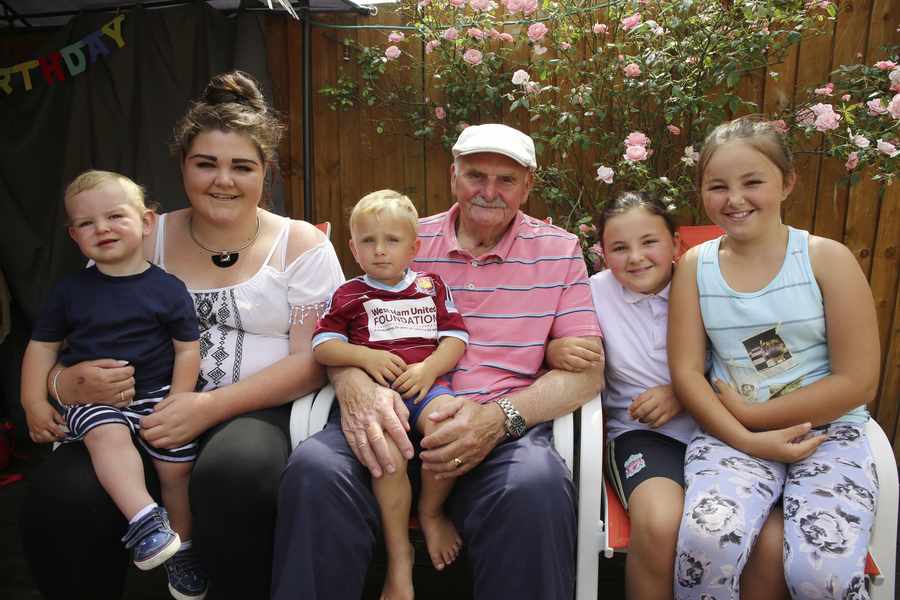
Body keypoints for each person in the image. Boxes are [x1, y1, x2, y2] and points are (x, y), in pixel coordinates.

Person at [20, 71, 345, 600]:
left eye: (242, 166)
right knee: (62, 492)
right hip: (138, 410)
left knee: (235, 474)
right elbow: (73, 328)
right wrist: (63, 385)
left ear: (266, 171)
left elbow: (314, 359)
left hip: (253, 410)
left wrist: (206, 408)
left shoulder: (300, 244)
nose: (224, 180)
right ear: (182, 167)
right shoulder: (143, 235)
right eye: (206, 164)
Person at [272, 123, 605, 600]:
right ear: (453, 176)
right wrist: (352, 382)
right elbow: (345, 325)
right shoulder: (401, 238)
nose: (489, 192)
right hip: (390, 414)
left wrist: (499, 418)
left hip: (498, 430)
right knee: (315, 470)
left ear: (528, 185)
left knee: (535, 487)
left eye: (506, 180)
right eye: (475, 175)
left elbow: (587, 374)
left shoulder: (558, 250)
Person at [668, 117, 880, 599]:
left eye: (753, 182)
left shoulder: (828, 260)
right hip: (729, 438)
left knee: (820, 572)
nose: (734, 199)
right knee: (707, 541)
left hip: (829, 433)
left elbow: (856, 381)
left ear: (786, 183)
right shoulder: (695, 268)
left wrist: (756, 414)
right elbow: (686, 371)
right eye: (717, 186)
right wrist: (746, 434)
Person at [549, 190, 788, 600]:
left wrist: (684, 391)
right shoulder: (592, 292)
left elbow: (773, 363)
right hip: (643, 434)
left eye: (650, 242)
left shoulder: (718, 281)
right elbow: (551, 339)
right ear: (602, 254)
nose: (636, 257)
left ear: (676, 243)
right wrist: (557, 348)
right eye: (619, 248)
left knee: (768, 538)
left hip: (725, 430)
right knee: (660, 521)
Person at [21, 169, 206, 599]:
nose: (101, 228)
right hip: (95, 401)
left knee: (177, 468)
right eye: (86, 223)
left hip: (157, 395)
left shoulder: (168, 289)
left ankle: (183, 548)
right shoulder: (70, 291)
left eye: (114, 216)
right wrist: (32, 401)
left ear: (146, 221)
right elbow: (42, 348)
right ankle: (145, 522)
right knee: (106, 434)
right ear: (73, 236)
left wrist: (178, 400)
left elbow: (186, 349)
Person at [312, 190, 469, 599]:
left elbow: (456, 339)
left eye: (392, 241)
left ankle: (431, 512)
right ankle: (400, 556)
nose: (380, 251)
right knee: (389, 452)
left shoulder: (431, 287)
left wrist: (429, 368)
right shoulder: (348, 294)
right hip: (379, 397)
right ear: (353, 247)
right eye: (368, 241)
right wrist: (363, 356)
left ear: (414, 247)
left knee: (450, 426)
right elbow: (324, 346)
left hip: (427, 385)